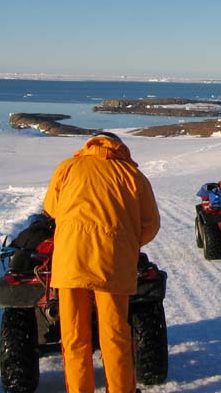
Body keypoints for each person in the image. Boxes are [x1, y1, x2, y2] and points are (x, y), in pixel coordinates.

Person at [43, 132, 160, 393]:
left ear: (90, 145)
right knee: (115, 336)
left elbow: (51, 208)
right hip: (112, 265)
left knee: (74, 338)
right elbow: (150, 225)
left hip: (70, 263)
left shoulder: (67, 168)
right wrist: (126, 244)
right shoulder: (133, 176)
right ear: (120, 147)